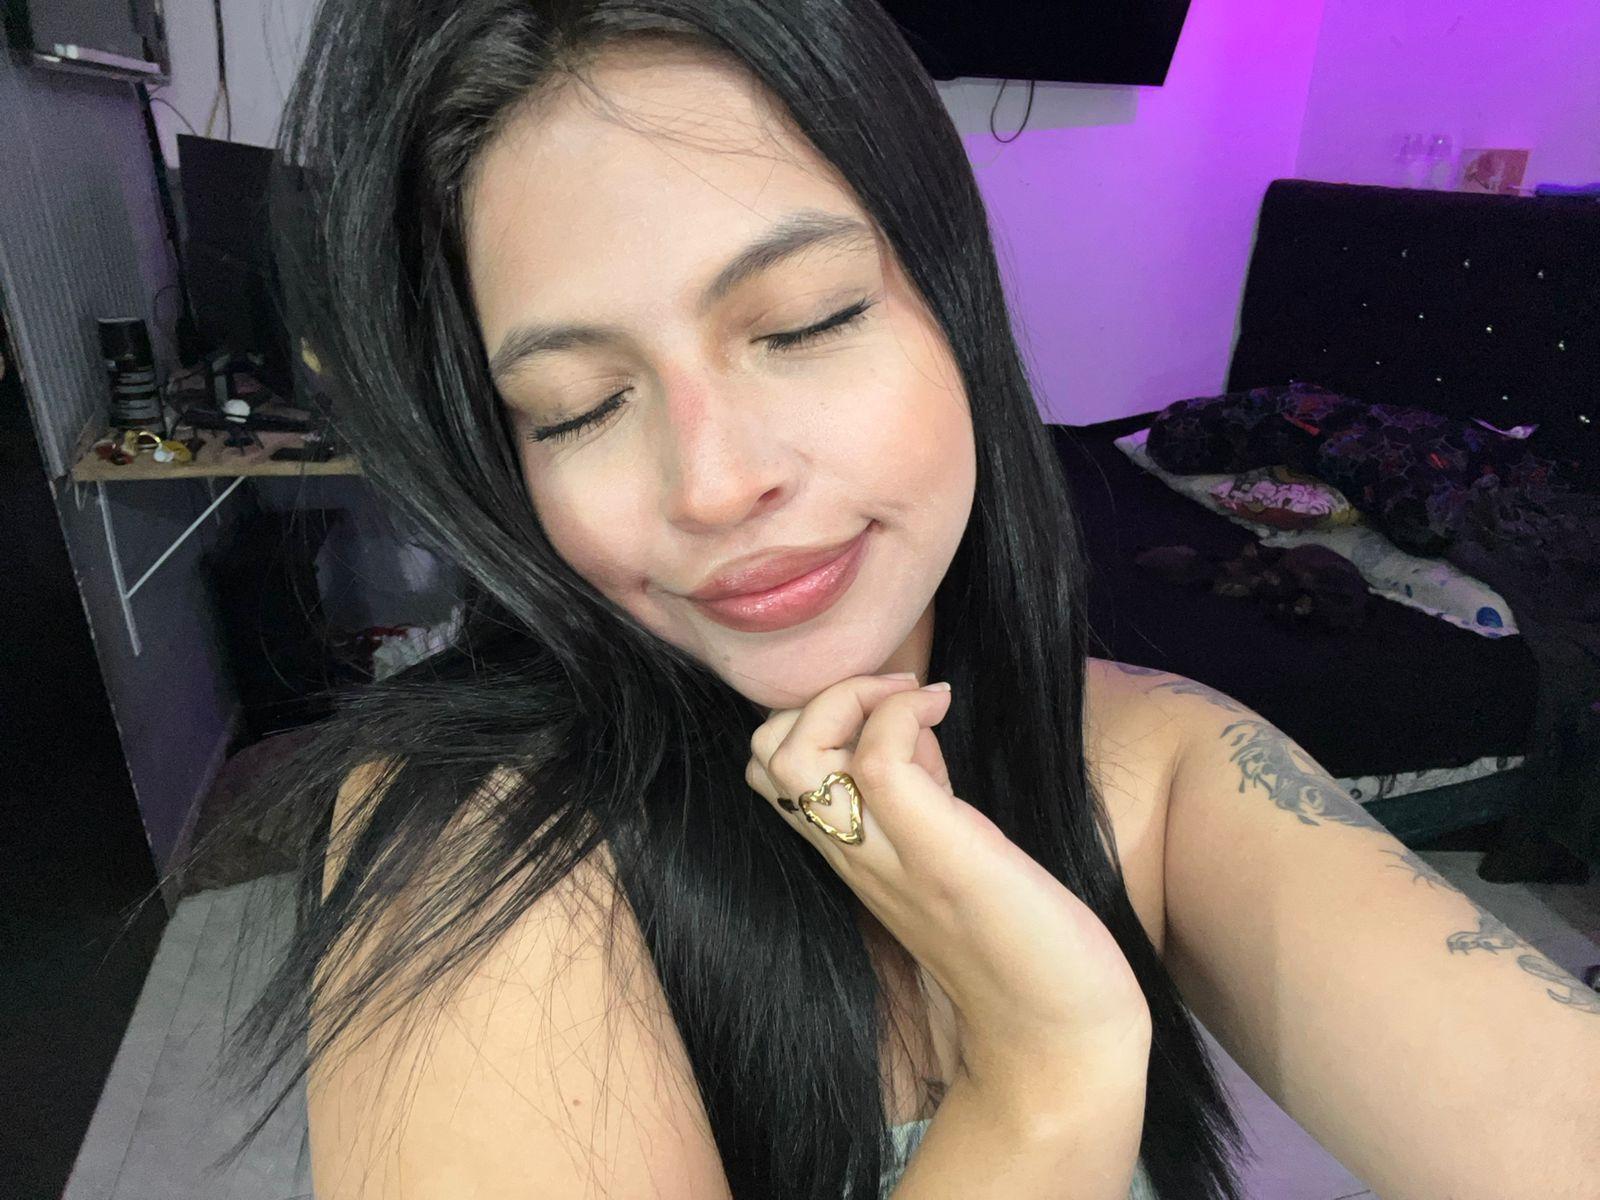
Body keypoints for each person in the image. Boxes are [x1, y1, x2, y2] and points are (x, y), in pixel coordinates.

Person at [183, 3, 1600, 1198]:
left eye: (807, 322)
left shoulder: (1166, 766)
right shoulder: (479, 838)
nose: (714, 484)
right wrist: (1044, 1077)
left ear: (954, 304)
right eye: (579, 406)